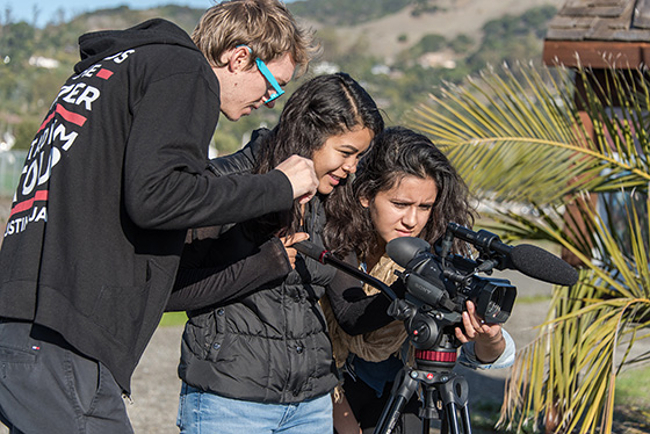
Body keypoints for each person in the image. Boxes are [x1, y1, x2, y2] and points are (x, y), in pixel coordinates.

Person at [0, 1, 319, 433]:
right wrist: (278, 186)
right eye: (272, 85)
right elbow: (157, 196)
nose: (268, 102)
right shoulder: (184, 71)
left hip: (26, 325)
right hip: (63, 340)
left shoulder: (115, 71)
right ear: (240, 56)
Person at [170, 72, 384, 434]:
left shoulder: (335, 204)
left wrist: (406, 297)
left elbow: (350, 312)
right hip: (229, 404)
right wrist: (261, 266)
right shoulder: (226, 182)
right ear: (309, 135)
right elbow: (171, 290)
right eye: (346, 153)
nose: (351, 170)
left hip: (312, 406)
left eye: (359, 157)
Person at [321, 127, 516, 433]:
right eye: (400, 204)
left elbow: (481, 353)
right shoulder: (337, 239)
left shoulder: (438, 251)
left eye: (424, 207)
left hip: (407, 396)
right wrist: (414, 279)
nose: (412, 220)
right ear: (365, 196)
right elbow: (347, 321)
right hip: (333, 399)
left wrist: (490, 338)